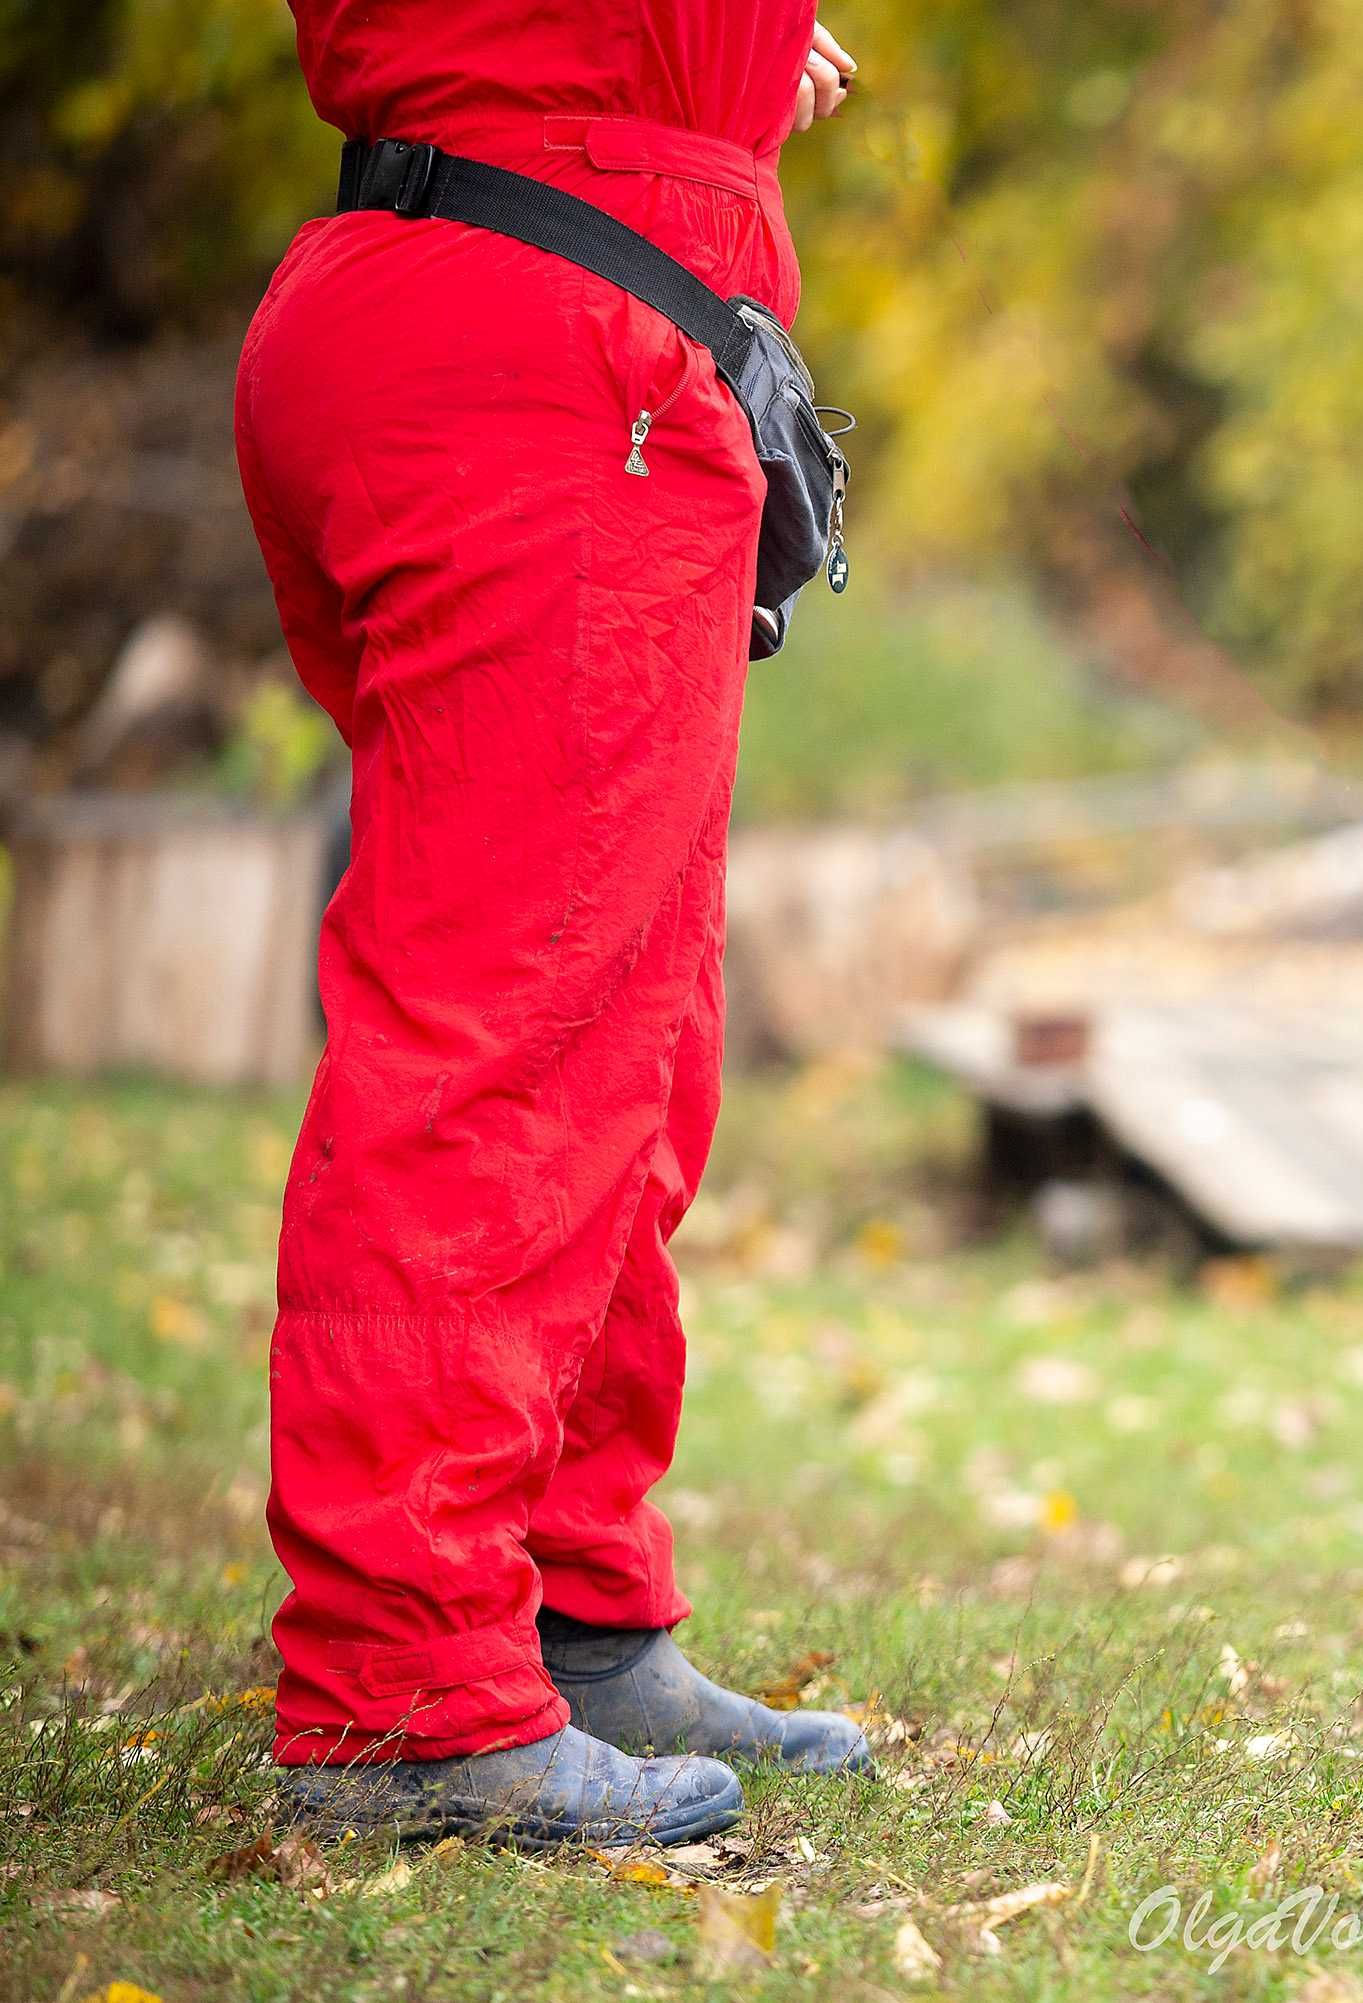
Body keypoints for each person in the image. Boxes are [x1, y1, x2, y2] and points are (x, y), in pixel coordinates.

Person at [233, 3, 865, 1846]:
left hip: (495, 291)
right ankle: (405, 1692)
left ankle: (570, 1605)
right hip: (542, 343)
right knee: (507, 1032)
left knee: (631, 1022)